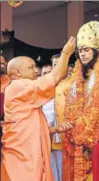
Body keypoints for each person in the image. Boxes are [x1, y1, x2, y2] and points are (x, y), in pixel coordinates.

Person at [1, 37, 76, 181]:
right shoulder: (18, 86)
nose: (36, 71)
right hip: (23, 159)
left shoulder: (22, 90)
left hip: (28, 156)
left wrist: (54, 129)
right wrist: (66, 54)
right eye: (31, 67)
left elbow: (27, 124)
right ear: (17, 73)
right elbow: (53, 79)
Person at [62, 21, 99, 181]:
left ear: (96, 52)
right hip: (78, 134)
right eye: (80, 51)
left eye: (86, 50)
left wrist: (91, 130)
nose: (82, 54)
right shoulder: (77, 77)